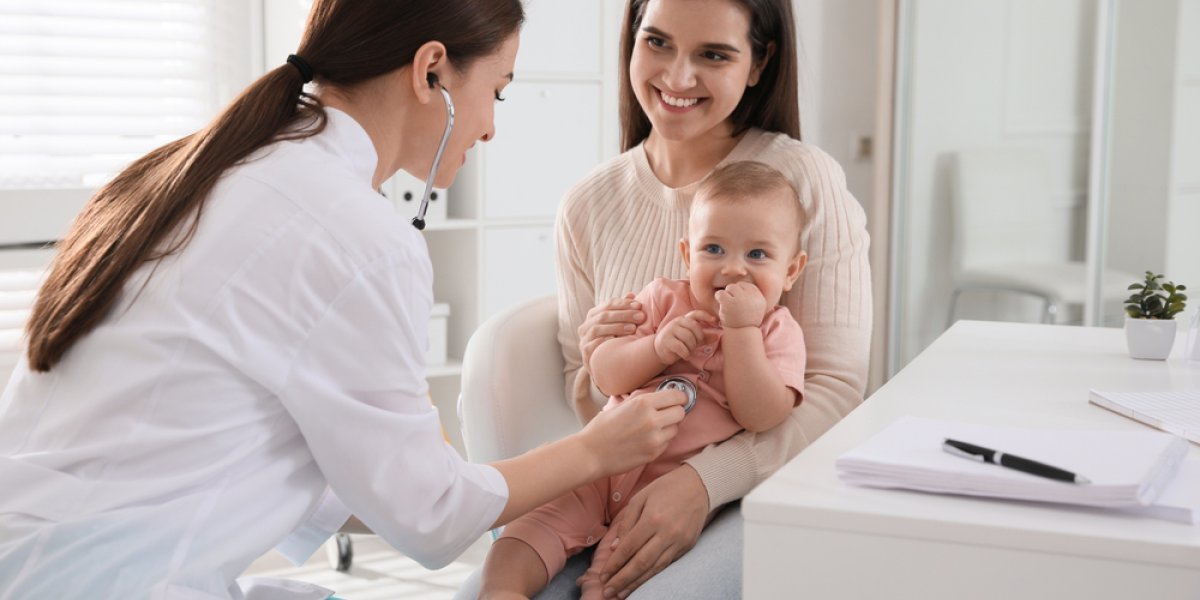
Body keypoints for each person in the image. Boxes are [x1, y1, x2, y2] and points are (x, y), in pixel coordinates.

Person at [0, 1, 690, 598]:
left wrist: (454, 476)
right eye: (497, 93)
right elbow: (430, 515)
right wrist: (596, 451)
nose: (489, 129)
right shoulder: (356, 234)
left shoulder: (201, 169)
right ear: (431, 71)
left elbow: (309, 457)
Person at [464, 0, 873, 596]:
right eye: (657, 42)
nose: (678, 77)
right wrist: (604, 355)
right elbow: (590, 390)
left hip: (750, 493)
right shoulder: (588, 203)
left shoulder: (804, 183)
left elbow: (835, 393)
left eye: (714, 54)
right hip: (613, 480)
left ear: (759, 63)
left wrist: (703, 482)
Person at [479, 162, 809, 600]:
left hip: (668, 490)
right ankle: (501, 591)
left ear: (792, 270)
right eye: (714, 249)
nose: (733, 269)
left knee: (621, 569)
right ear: (688, 254)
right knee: (530, 526)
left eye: (757, 255)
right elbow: (606, 374)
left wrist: (742, 331)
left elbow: (762, 414)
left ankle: (598, 588)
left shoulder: (777, 330)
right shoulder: (660, 298)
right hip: (601, 463)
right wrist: (655, 348)